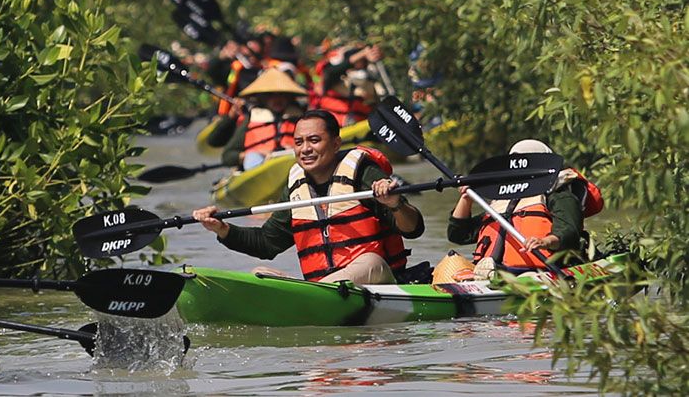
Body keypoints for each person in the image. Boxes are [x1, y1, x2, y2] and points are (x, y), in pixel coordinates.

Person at [193, 110, 425, 284]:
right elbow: (266, 243)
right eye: (298, 142)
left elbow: (413, 228)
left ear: (335, 144)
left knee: (370, 261)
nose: (305, 149)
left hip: (379, 282)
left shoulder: (362, 173)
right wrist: (221, 229)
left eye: (314, 140)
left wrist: (395, 204)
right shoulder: (296, 185)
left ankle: (318, 295)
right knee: (259, 274)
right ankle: (316, 295)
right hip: (326, 288)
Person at [446, 139, 592, 279]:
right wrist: (467, 198)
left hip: (538, 272)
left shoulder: (558, 195)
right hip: (491, 272)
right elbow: (458, 234)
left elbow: (569, 231)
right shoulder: (503, 200)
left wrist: (545, 242)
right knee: (449, 264)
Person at [211, 68, 307, 170]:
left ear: (289, 97)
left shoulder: (301, 117)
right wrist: (250, 155)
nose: (277, 99)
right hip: (259, 166)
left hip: (293, 163)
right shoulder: (251, 118)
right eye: (270, 95)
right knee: (252, 157)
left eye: (281, 94)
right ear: (262, 97)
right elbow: (227, 156)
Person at [314, 45, 383, 126]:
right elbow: (330, 72)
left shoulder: (367, 77)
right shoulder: (333, 79)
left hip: (367, 120)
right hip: (346, 125)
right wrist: (362, 54)